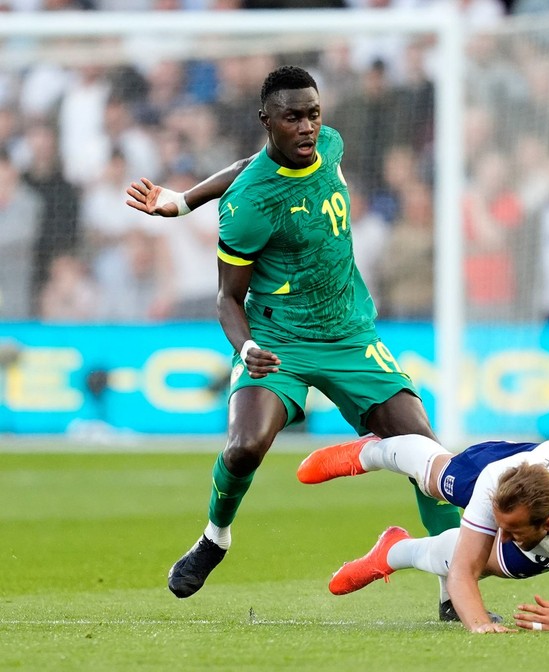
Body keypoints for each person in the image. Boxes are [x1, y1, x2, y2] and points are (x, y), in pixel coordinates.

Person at [124, 66, 465, 620]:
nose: (307, 127)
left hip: (349, 334)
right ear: (267, 120)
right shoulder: (249, 208)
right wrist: (246, 349)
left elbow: (246, 164)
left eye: (313, 114)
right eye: (293, 117)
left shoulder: (329, 145)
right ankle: (215, 537)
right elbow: (227, 299)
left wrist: (183, 200)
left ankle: (453, 594)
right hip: (277, 338)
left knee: (426, 452)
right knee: (244, 447)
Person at [296, 434, 549, 633]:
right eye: (499, 525)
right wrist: (481, 626)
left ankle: (394, 551)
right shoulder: (496, 479)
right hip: (508, 464)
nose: (500, 534)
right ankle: (371, 451)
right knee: (437, 481)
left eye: (511, 530)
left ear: (547, 525)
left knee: (495, 562)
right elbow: (464, 570)